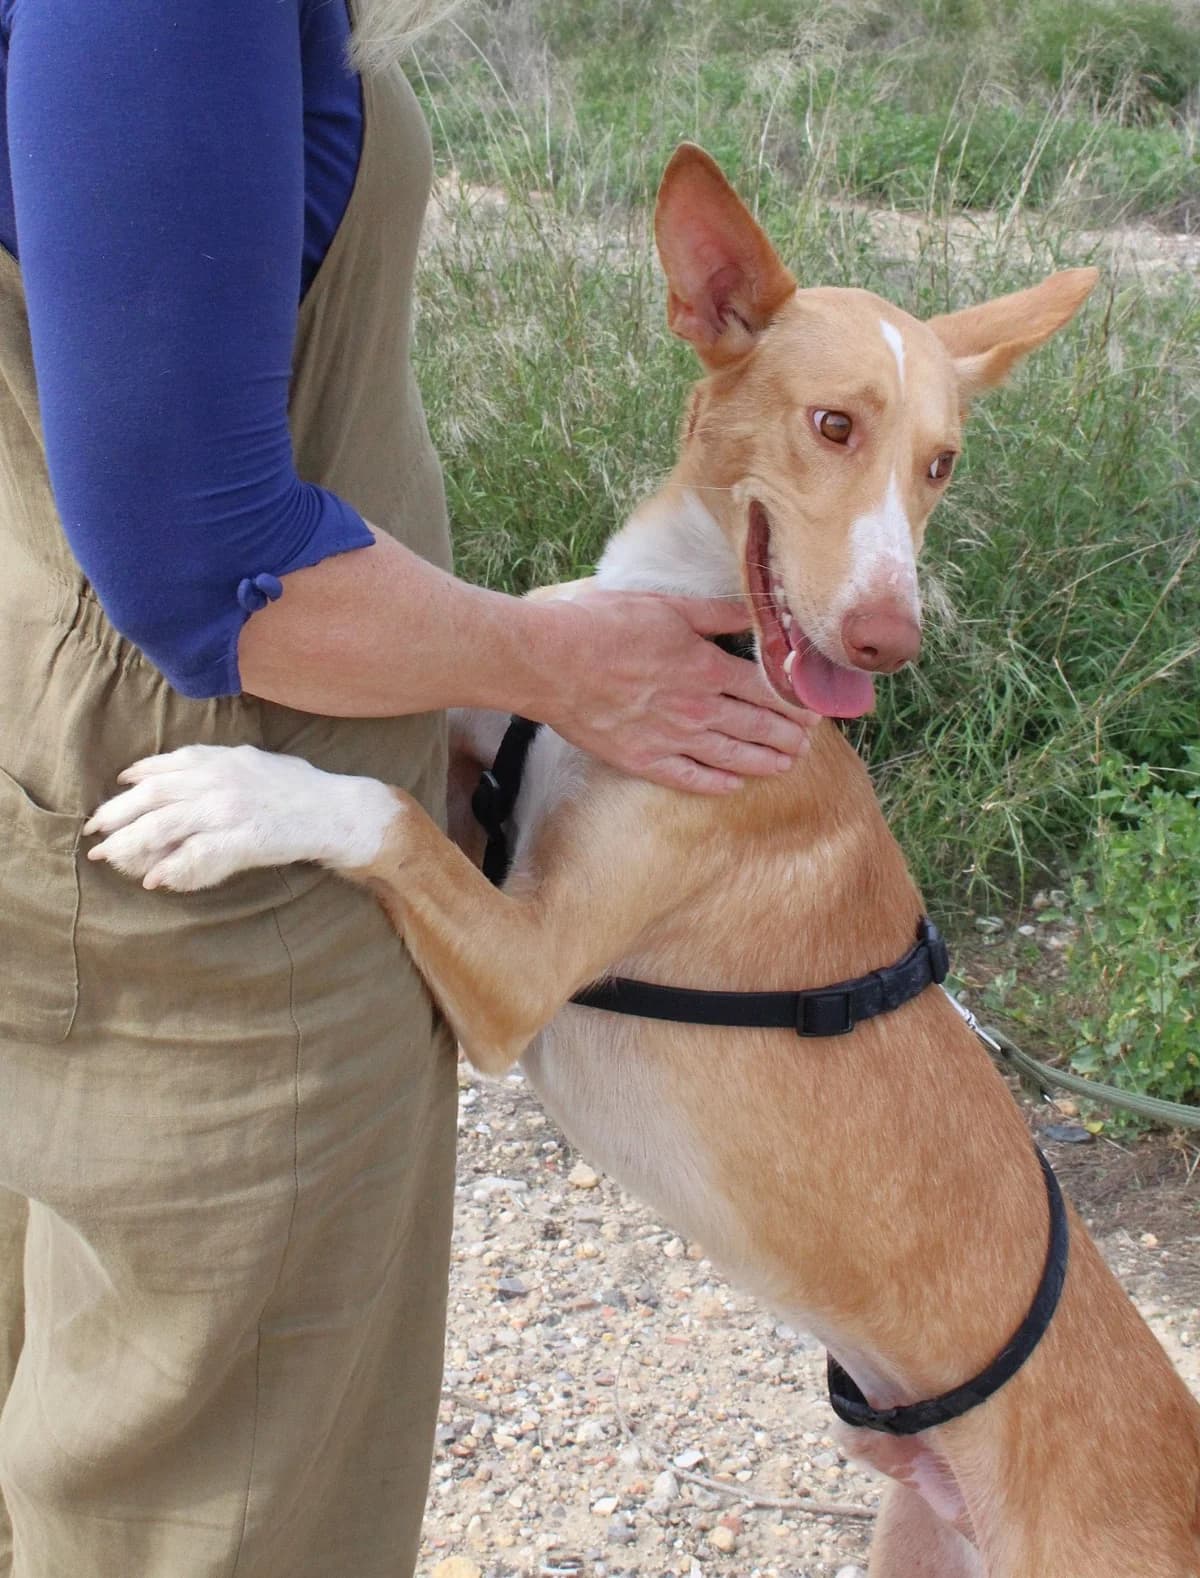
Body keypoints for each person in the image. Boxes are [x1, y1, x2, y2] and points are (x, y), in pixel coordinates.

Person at [0, 3, 813, 1574]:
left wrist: (470, 664)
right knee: (216, 1509)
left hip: (107, 739)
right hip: (227, 819)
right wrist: (556, 667)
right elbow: (213, 565)